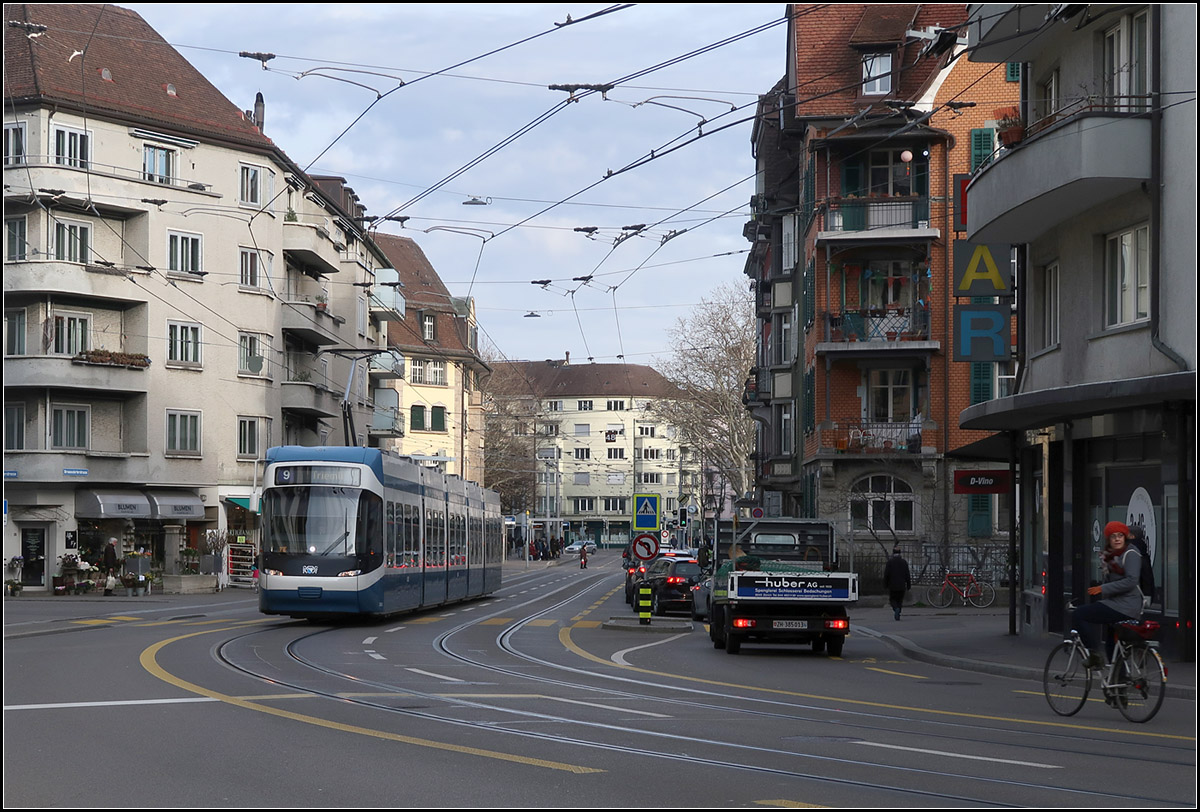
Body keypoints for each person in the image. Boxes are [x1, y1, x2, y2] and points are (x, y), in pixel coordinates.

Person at [1071, 521, 1144, 668]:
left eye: (1120, 536)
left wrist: (1103, 588)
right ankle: (1119, 678)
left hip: (1126, 605)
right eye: (1113, 536)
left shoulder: (1131, 554)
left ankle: (1094, 655)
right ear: (1108, 539)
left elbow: (1131, 581)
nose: (1117, 539)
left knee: (1079, 614)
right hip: (1116, 603)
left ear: (1125, 538)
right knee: (1111, 644)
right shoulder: (1111, 555)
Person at [883, 546, 911, 621]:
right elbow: (907, 574)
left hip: (892, 585)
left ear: (893, 553)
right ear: (900, 553)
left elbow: (886, 574)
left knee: (892, 599)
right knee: (900, 599)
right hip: (901, 585)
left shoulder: (890, 562)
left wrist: (885, 584)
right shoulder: (904, 562)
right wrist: (908, 584)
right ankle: (898, 610)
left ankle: (896, 609)